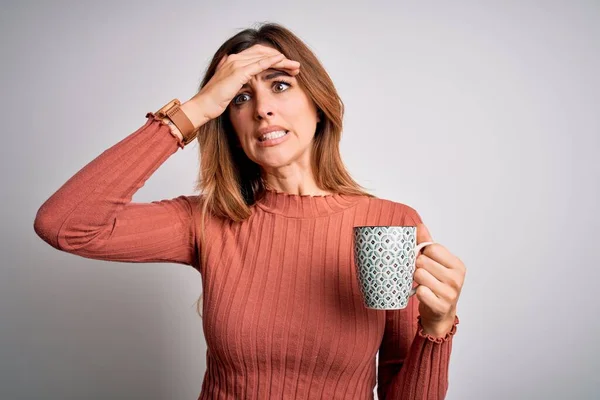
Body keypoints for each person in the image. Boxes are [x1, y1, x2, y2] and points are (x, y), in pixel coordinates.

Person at [33, 22, 465, 400]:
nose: (262, 109)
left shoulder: (391, 223)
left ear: (318, 103)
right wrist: (194, 111)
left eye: (279, 85)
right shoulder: (208, 220)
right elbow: (65, 225)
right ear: (228, 121)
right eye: (240, 98)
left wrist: (438, 325)